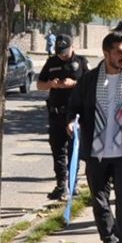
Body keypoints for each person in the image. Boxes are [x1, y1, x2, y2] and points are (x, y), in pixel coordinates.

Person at [67, 32, 122, 243]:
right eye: (119, 52)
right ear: (106, 53)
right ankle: (109, 241)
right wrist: (71, 121)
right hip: (96, 152)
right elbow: (74, 107)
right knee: (99, 199)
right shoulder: (89, 81)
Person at [36, 34, 89, 200]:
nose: (62, 55)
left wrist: (72, 83)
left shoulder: (81, 62)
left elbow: (90, 84)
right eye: (60, 52)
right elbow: (39, 84)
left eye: (65, 52)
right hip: (56, 113)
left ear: (73, 47)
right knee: (57, 150)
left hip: (75, 115)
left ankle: (72, 185)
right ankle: (61, 185)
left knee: (74, 150)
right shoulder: (52, 62)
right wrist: (51, 84)